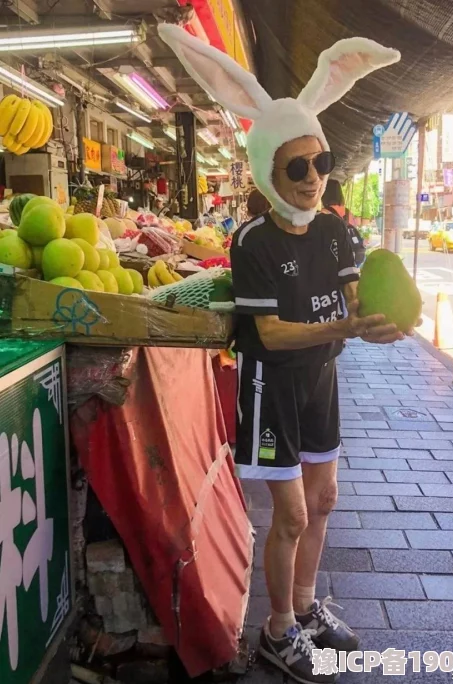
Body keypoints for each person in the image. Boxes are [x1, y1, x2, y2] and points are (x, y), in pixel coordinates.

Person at [159, 22, 403, 684]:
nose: (312, 178)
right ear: (269, 169)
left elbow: (355, 304)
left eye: (320, 162)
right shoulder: (251, 243)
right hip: (271, 388)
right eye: (296, 167)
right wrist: (347, 332)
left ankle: (304, 606)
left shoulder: (336, 234)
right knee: (291, 513)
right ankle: (276, 630)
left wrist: (379, 322)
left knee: (323, 502)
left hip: (320, 383)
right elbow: (270, 337)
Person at [322, 179, 366, 266]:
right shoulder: (347, 212)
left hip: (336, 259)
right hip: (354, 257)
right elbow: (354, 230)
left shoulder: (323, 213)